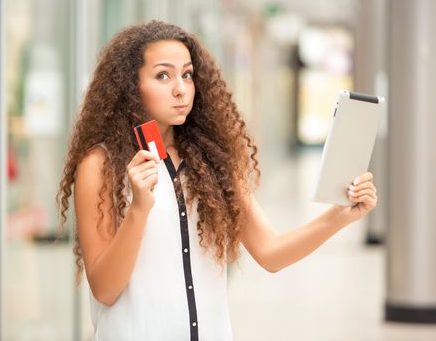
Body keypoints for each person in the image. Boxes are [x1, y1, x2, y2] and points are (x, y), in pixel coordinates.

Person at [56, 20, 377, 340]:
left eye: (187, 74)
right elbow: (105, 290)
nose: (180, 88)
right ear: (130, 86)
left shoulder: (212, 161)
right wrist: (139, 209)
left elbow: (271, 252)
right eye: (162, 75)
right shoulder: (100, 165)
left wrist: (339, 217)